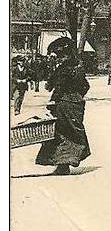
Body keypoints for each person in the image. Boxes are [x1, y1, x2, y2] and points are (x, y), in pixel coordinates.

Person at [35, 37, 91, 175]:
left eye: (59, 55)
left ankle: (62, 165)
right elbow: (86, 86)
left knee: (61, 133)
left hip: (64, 104)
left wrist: (54, 100)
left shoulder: (63, 69)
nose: (58, 58)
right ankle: (65, 164)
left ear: (63, 54)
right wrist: (78, 96)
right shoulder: (79, 67)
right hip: (76, 104)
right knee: (72, 133)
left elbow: (54, 87)